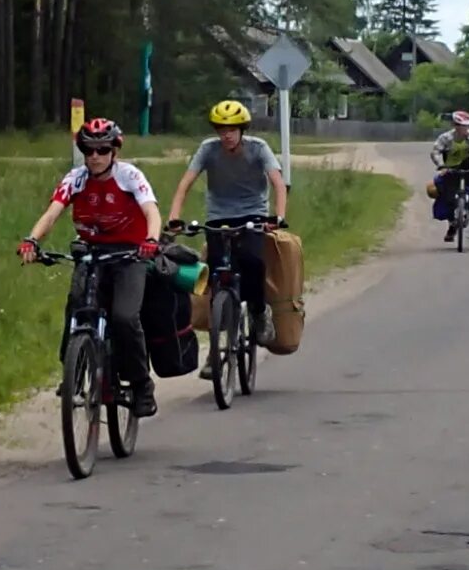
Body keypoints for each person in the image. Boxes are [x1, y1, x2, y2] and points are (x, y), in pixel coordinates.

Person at [16, 116, 163, 415]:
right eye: (89, 151)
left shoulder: (130, 176)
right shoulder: (76, 178)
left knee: (124, 317)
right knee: (76, 305)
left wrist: (151, 240)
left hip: (131, 254)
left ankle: (140, 385)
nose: (95, 157)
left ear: (114, 152)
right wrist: (31, 240)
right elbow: (52, 213)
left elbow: (151, 212)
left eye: (102, 150)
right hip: (92, 252)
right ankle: (72, 372)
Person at [164, 98, 288, 361]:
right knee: (215, 277)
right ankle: (216, 347)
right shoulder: (208, 150)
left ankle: (258, 312)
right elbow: (185, 183)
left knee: (253, 263)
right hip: (219, 216)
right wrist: (174, 218)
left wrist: (278, 216)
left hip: (253, 214)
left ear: (242, 130)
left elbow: (277, 182)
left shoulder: (258, 148)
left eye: (231, 130)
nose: (226, 135)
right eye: (221, 130)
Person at [432, 107, 469, 217]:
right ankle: (451, 218)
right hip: (449, 167)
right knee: (445, 191)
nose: (465, 129)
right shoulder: (446, 137)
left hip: (466, 165)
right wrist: (441, 166)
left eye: (466, 126)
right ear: (455, 125)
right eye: (462, 126)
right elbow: (435, 152)